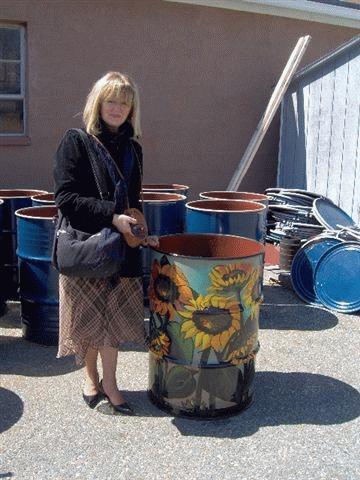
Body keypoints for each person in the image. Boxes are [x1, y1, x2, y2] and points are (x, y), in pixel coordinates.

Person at [54, 71, 158, 415]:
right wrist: (112, 216)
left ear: (132, 110)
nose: (118, 108)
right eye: (111, 101)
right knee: (87, 321)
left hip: (122, 249)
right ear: (98, 103)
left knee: (112, 323)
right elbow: (66, 199)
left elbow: (134, 201)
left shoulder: (134, 149)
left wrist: (141, 232)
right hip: (87, 245)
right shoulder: (76, 142)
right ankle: (90, 379)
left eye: (125, 103)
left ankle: (111, 383)